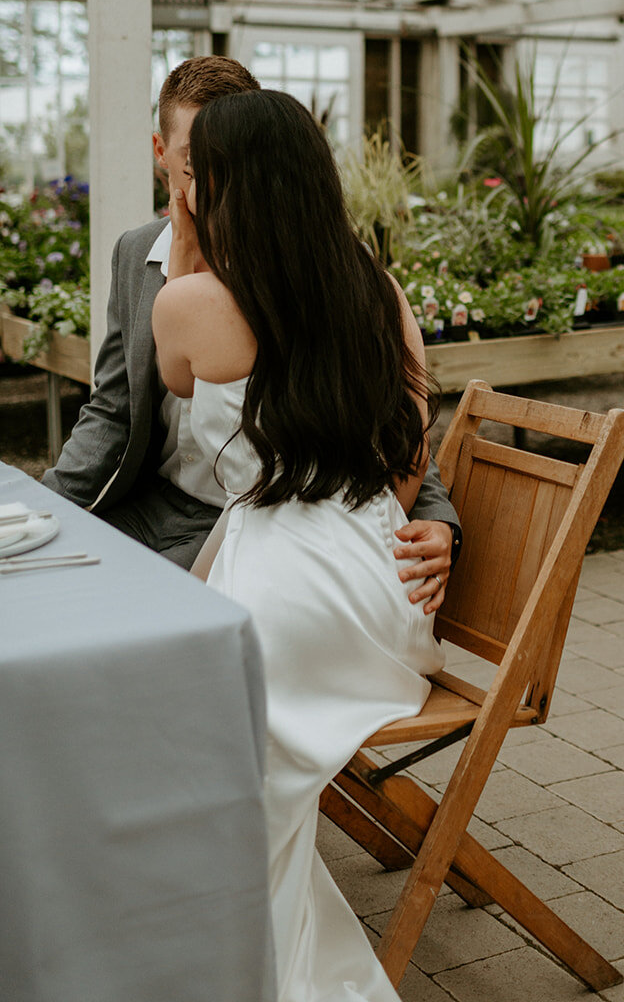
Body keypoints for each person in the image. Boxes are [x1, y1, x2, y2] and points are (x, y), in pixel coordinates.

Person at [152, 89, 445, 1002]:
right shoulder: (378, 290)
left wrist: (190, 242)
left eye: (197, 172)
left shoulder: (188, 304)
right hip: (383, 592)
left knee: (196, 743)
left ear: (218, 186)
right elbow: (410, 455)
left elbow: (172, 379)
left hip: (275, 589)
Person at [43, 56, 458, 608]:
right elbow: (113, 409)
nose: (214, 181)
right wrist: (44, 511)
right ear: (161, 154)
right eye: (196, 161)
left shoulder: (340, 269)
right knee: (44, 578)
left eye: (231, 161)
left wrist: (437, 518)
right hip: (153, 501)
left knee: (106, 609)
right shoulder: (137, 252)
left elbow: (385, 418)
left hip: (264, 529)